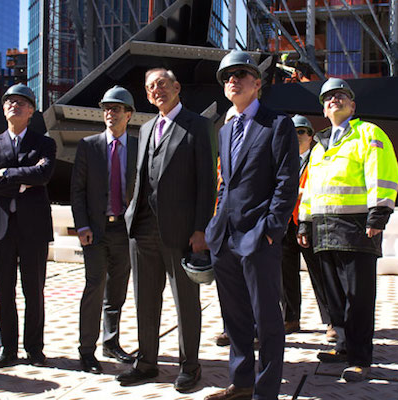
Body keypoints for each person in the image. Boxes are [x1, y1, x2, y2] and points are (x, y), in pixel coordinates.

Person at [205, 50, 299, 400]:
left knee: (267, 321)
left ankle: (266, 392)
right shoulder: (227, 129)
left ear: (257, 84)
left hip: (259, 238)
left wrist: (272, 230)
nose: (233, 80)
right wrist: (216, 225)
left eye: (241, 74)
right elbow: (226, 184)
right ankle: (241, 382)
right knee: (235, 318)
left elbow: (286, 182)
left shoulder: (278, 125)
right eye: (228, 76)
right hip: (226, 238)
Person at [118, 68, 216, 393]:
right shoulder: (146, 128)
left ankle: (191, 367)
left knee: (186, 302)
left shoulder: (198, 125)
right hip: (143, 228)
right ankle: (146, 363)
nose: (156, 90)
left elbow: (206, 184)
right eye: (150, 87)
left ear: (177, 87)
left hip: (182, 231)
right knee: (145, 300)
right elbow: (142, 176)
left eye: (161, 84)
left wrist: (201, 229)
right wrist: (132, 215)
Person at [297, 78, 398, 382]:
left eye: (341, 96)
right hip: (324, 228)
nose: (334, 100)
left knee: (358, 296)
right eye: (328, 97)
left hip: (356, 227)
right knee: (335, 296)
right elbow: (310, 188)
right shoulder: (320, 145)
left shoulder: (368, 133)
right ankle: (342, 345)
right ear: (323, 108)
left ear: (352, 106)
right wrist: (304, 221)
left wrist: (378, 213)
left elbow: (382, 171)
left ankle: (359, 358)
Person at [0, 83, 56, 369]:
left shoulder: (44, 143)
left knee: (33, 290)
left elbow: (44, 173)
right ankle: (6, 348)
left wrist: (8, 174)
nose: (15, 105)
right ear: (3, 108)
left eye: (21, 102)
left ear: (31, 110)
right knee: (4, 291)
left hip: (33, 228)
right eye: (9, 101)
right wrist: (24, 181)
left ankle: (34, 348)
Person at [70, 86, 138, 374]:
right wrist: (82, 225)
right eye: (106, 108)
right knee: (94, 285)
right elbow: (77, 190)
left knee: (117, 291)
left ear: (129, 114)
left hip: (125, 230)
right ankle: (87, 350)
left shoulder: (138, 146)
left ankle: (111, 343)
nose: (110, 113)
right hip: (95, 230)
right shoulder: (89, 145)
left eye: (116, 109)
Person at [281, 115, 333, 340]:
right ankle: (290, 318)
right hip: (285, 224)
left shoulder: (319, 157)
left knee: (320, 274)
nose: (297, 136)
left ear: (311, 135)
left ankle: (332, 320)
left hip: (310, 222)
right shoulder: (283, 160)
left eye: (301, 131)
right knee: (286, 274)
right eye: (293, 132)